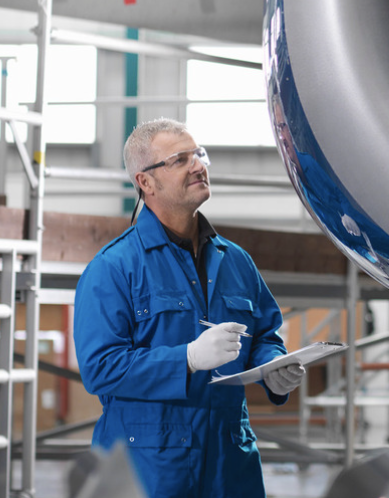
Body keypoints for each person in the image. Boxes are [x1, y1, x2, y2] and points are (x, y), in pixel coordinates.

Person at [75, 118, 306, 498]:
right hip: (148, 471)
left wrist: (273, 366)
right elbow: (100, 369)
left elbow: (265, 334)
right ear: (145, 182)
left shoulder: (236, 261)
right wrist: (187, 359)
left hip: (230, 465)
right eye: (180, 159)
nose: (199, 165)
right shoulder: (113, 268)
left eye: (199, 154)